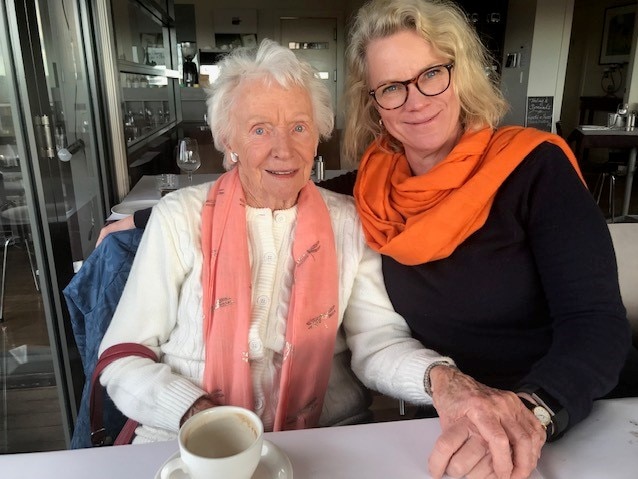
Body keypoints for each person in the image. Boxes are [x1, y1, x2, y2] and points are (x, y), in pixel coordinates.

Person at [97, 39, 445, 444]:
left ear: (317, 137)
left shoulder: (350, 221)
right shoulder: (178, 217)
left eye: (299, 127)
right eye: (260, 129)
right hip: (182, 437)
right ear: (229, 142)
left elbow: (378, 342)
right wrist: (198, 413)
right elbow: (124, 357)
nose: (284, 149)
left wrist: (440, 378)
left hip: (324, 436)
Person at [342, 1, 633, 478]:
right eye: (392, 87)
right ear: (373, 103)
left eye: (432, 73)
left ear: (462, 75)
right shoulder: (370, 192)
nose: (416, 100)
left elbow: (597, 325)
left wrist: (533, 411)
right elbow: (283, 191)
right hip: (452, 421)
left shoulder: (536, 169)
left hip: (570, 413)